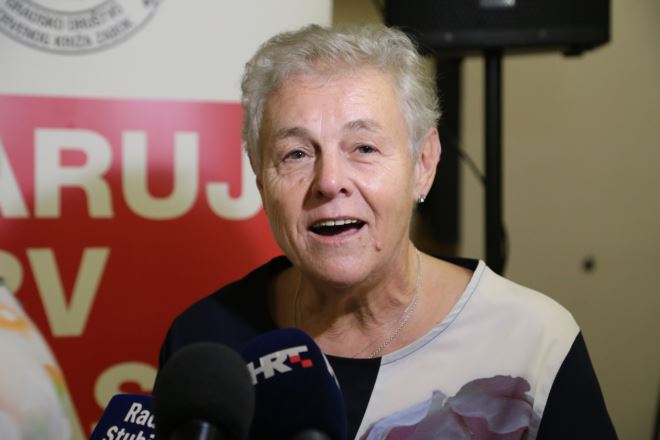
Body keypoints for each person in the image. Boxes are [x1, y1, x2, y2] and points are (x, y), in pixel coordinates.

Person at [158, 24, 616, 439]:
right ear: (260, 177)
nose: (329, 181)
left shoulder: (532, 343)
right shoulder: (205, 343)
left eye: (363, 147)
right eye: (296, 154)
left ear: (424, 164)